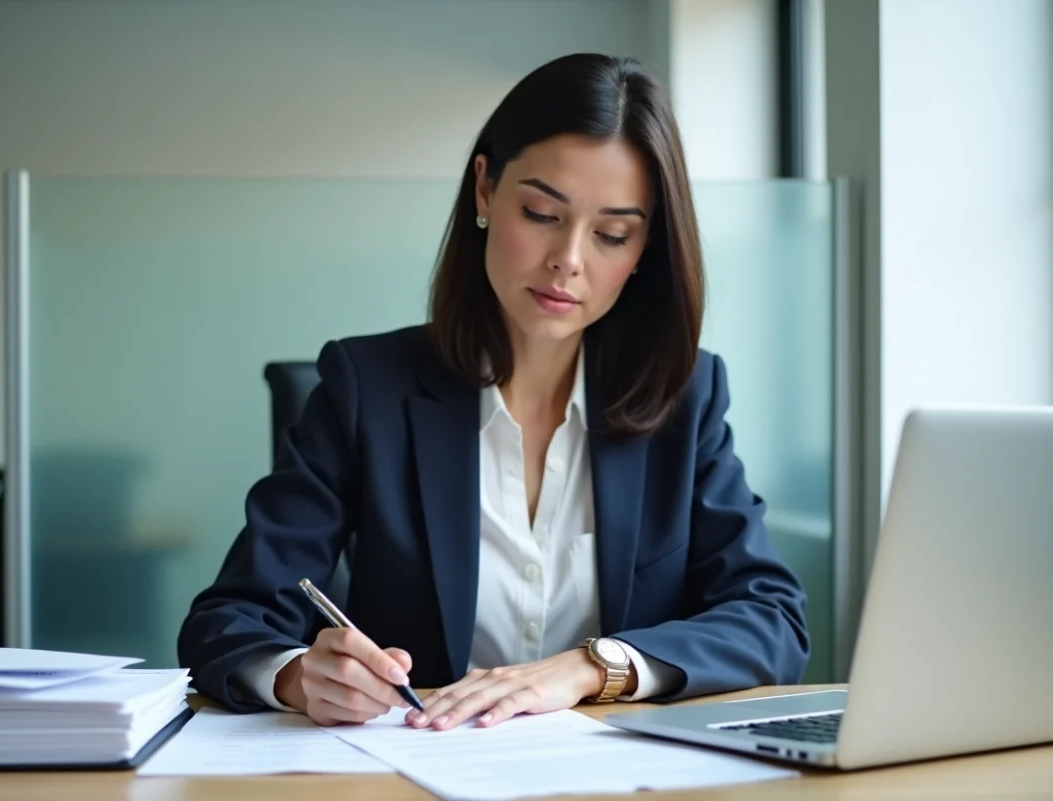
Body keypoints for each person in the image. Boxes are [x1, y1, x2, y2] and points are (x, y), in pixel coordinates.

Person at [178, 52, 810, 730]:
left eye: (612, 234)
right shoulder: (367, 387)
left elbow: (770, 618)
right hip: (411, 771)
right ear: (484, 189)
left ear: (643, 251)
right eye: (541, 212)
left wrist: (592, 667)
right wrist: (300, 676)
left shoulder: (686, 395)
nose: (568, 258)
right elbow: (228, 621)